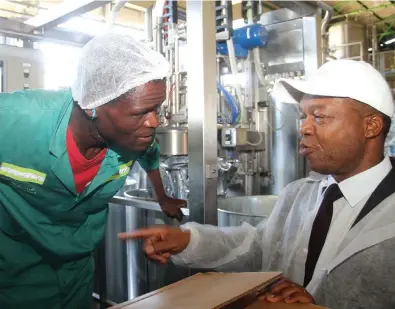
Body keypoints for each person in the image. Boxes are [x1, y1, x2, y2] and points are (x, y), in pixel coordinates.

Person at [119, 59, 395, 309]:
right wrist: (188, 241)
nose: (305, 128)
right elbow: (259, 247)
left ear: (371, 127)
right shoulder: (300, 194)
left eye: (319, 116)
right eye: (303, 117)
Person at [0, 33, 186, 309]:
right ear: (92, 106)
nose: (153, 122)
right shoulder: (17, 122)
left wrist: (163, 198)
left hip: (77, 272)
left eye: (157, 109)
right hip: (15, 273)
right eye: (140, 112)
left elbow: (151, 156)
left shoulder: (135, 139)